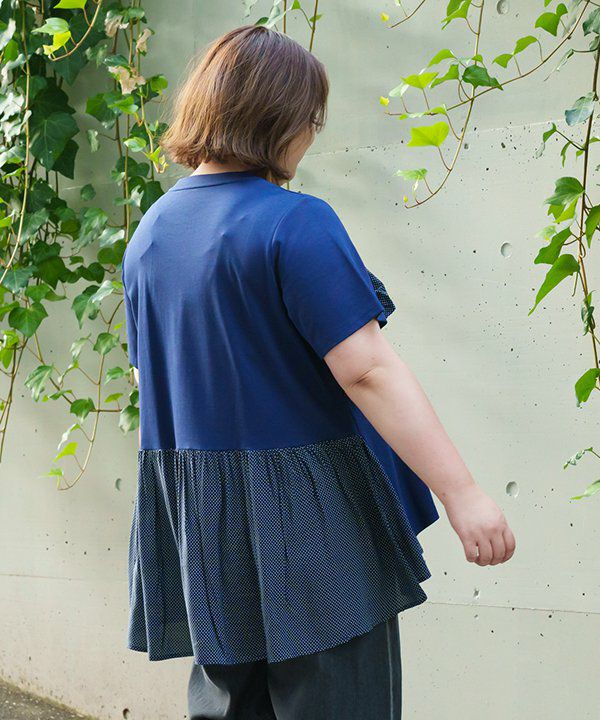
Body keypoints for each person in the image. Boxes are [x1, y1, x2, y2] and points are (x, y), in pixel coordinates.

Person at [121, 24, 516, 720]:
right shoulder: (293, 222)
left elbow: (148, 377)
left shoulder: (149, 234)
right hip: (311, 530)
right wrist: (463, 495)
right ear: (278, 118)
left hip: (205, 530)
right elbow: (368, 371)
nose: (310, 136)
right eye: (311, 119)